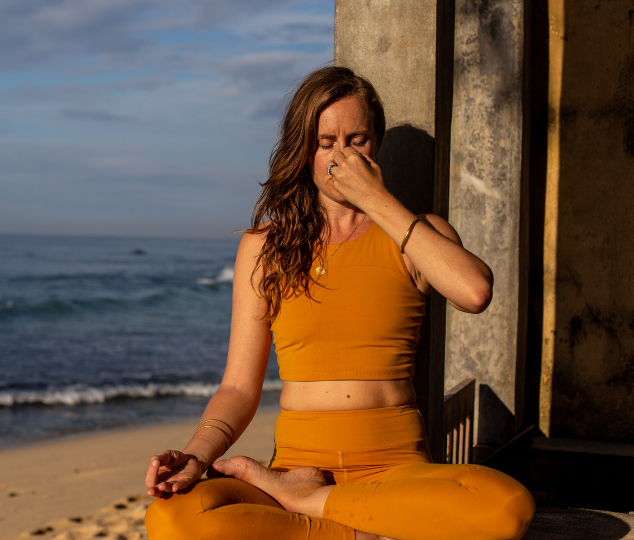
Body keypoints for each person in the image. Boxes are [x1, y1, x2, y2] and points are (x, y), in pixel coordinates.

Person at [143, 66, 535, 540]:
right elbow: (239, 389)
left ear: (377, 145)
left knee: (506, 507)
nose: (340, 157)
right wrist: (196, 457)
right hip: (292, 469)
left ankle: (313, 506)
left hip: (394, 471)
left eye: (357, 140)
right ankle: (346, 526)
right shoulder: (265, 248)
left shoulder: (416, 234)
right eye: (326, 142)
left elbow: (475, 292)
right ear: (303, 151)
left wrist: (376, 199)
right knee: (172, 519)